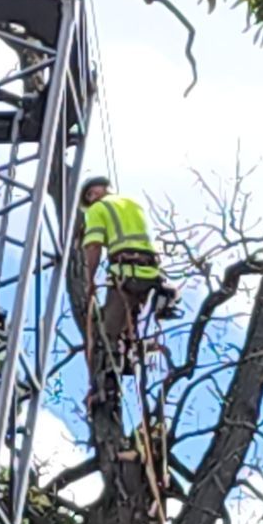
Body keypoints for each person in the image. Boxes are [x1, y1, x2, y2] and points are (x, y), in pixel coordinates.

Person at [77, 174, 171, 406]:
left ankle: (105, 389)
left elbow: (94, 247)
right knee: (129, 326)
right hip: (150, 274)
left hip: (125, 275)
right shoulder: (133, 203)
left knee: (107, 335)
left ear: (99, 192)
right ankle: (129, 356)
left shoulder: (97, 209)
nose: (92, 198)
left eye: (91, 194)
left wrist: (88, 281)